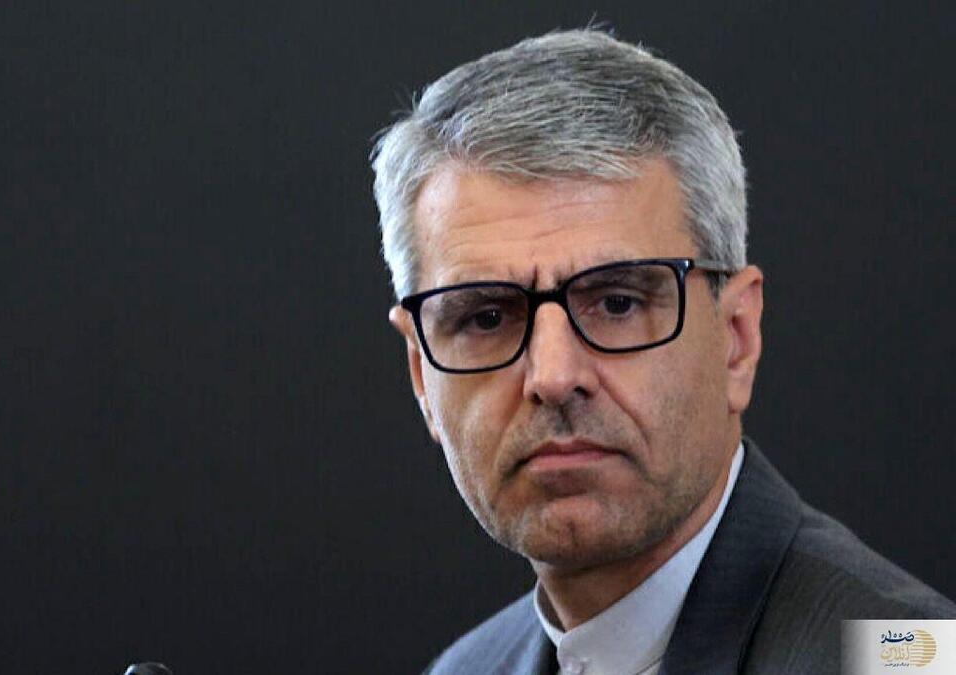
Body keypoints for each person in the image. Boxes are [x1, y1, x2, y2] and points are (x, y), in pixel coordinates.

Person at [370, 29, 954, 674]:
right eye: (487, 317)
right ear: (421, 374)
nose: (554, 376)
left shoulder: (906, 657)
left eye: (618, 303)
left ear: (737, 339)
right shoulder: (466, 669)